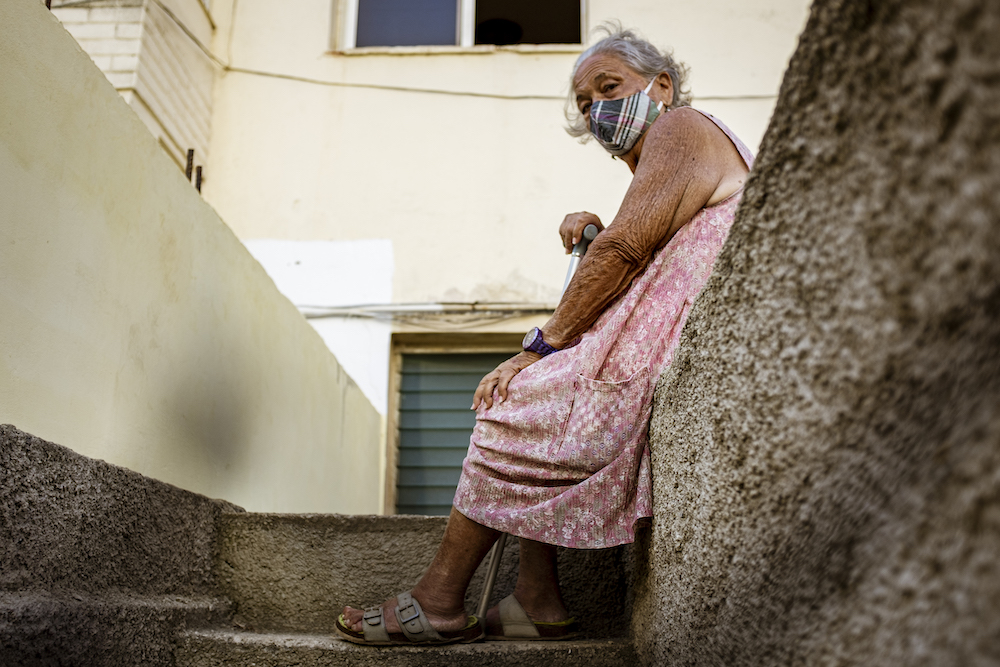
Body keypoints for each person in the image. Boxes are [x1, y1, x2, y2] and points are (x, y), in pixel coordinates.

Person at [336, 24, 753, 646]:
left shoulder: (682, 126)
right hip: (651, 343)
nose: (596, 111)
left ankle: (441, 600)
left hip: (652, 354)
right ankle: (536, 597)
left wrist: (540, 345)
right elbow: (646, 246)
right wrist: (596, 230)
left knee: (513, 403)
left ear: (661, 85)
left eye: (609, 89)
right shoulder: (679, 147)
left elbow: (628, 250)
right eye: (586, 104)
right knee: (539, 407)